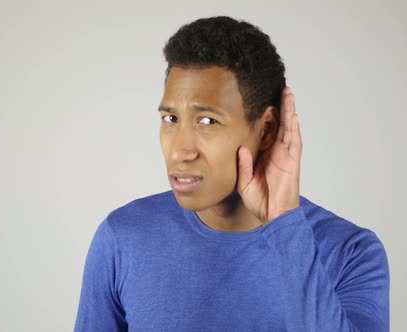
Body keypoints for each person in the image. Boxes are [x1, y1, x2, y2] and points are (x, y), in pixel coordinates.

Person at [74, 16, 389, 331]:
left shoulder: (350, 252)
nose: (180, 151)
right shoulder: (122, 237)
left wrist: (285, 224)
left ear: (266, 130)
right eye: (170, 118)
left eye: (207, 121)